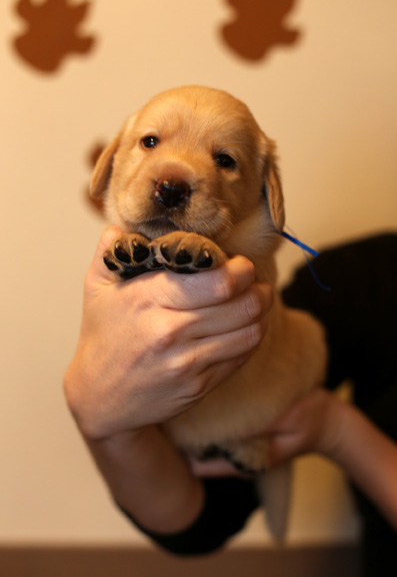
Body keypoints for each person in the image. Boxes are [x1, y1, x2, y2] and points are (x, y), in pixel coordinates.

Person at [64, 228, 397, 574]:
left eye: (226, 167)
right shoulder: (366, 278)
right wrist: (106, 424)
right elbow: (201, 520)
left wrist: (338, 431)